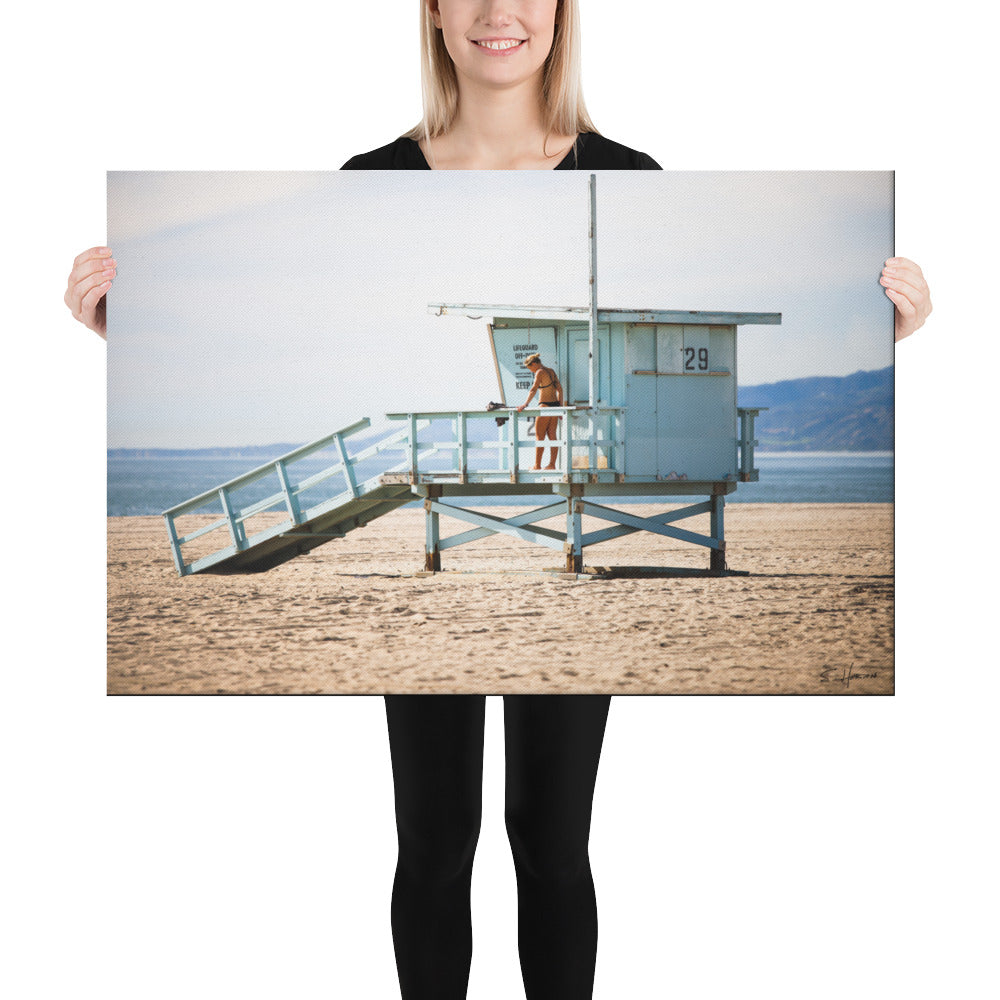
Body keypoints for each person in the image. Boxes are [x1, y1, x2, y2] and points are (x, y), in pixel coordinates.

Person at [65, 3, 932, 999]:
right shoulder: (374, 183)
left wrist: (888, 334)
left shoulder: (627, 174)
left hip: (576, 474)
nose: (496, 12)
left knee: (552, 838)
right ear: (430, 13)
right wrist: (114, 333)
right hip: (500, 512)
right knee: (434, 839)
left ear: (564, 13)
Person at [517, 352, 564, 470]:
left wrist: (525, 404)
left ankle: (537, 465)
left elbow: (533, 390)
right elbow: (560, 390)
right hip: (555, 407)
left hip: (544, 406)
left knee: (539, 436)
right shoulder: (551, 371)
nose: (531, 371)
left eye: (530, 368)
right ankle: (552, 465)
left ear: (534, 364)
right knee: (552, 436)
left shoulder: (539, 372)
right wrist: (560, 407)